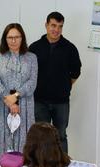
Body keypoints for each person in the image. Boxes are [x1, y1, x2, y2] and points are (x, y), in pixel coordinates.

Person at [29, 12, 82, 152]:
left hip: (61, 102)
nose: (56, 29)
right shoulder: (34, 48)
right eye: (53, 25)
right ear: (46, 25)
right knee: (41, 137)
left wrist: (65, 86)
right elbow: (28, 73)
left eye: (60, 26)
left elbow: (76, 72)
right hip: (39, 101)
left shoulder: (70, 48)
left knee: (61, 136)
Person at [0, 23, 37, 157]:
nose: (13, 40)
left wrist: (16, 96)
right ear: (5, 39)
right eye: (10, 37)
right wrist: (10, 101)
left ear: (22, 38)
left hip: (25, 107)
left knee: (24, 142)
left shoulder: (32, 58)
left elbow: (32, 83)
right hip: (3, 106)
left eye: (17, 37)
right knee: (4, 141)